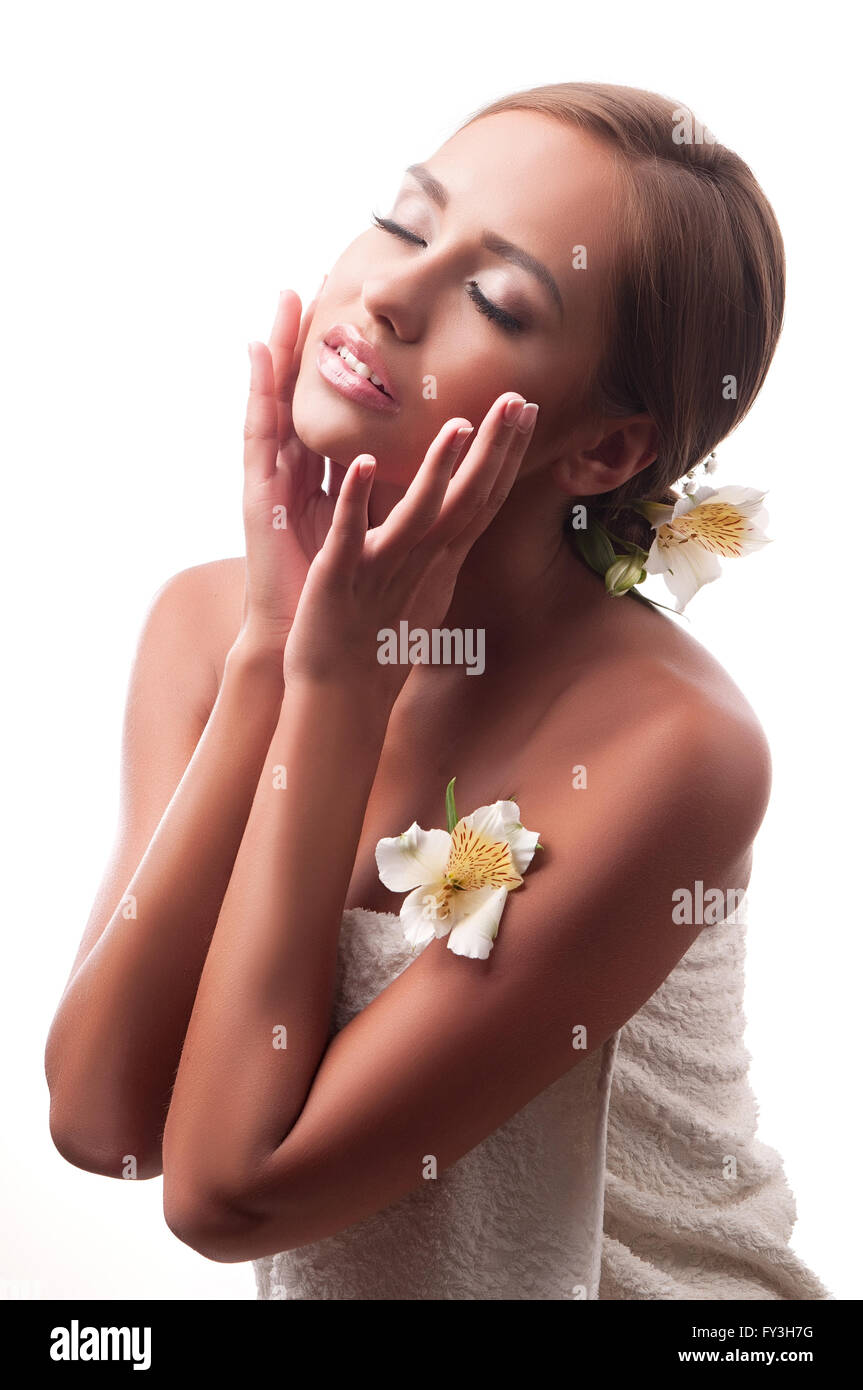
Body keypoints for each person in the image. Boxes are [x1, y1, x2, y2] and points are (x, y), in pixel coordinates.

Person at [44, 81, 831, 1300]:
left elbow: (226, 1194)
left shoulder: (670, 745)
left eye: (494, 299)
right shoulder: (208, 627)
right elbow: (105, 1123)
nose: (387, 296)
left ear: (607, 450)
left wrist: (342, 700)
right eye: (404, 223)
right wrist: (274, 652)